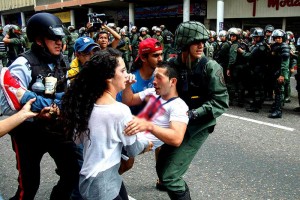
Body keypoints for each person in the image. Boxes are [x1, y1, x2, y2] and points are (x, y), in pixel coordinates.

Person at [0, 13, 81, 200]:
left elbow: (65, 94)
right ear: (38, 40)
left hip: (57, 129)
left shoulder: (61, 59)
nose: (59, 42)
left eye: (61, 38)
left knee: (73, 172)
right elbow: (7, 108)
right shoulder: (22, 64)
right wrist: (37, 114)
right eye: (54, 38)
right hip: (28, 134)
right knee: (28, 187)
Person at [60, 48, 153, 200]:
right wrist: (146, 143)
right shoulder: (120, 111)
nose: (127, 74)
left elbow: (78, 139)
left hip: (94, 177)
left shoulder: (86, 104)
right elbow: (132, 150)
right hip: (101, 185)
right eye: (123, 71)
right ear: (109, 77)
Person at [153, 21, 229, 199]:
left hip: (198, 125)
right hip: (177, 121)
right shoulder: (172, 65)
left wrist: (195, 113)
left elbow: (221, 101)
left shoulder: (210, 67)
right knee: (162, 167)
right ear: (184, 45)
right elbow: (158, 88)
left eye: (203, 41)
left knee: (170, 175)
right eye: (196, 42)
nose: (201, 45)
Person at [120, 62, 189, 179]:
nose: (154, 81)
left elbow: (177, 138)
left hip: (132, 142)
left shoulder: (179, 106)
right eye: (154, 76)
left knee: (123, 164)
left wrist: (149, 126)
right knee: (124, 164)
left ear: (173, 81)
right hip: (126, 136)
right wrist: (128, 86)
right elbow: (129, 100)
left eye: (159, 77)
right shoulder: (152, 93)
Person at [117, 38, 163, 115]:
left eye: (161, 54)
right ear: (143, 58)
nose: (160, 59)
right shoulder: (130, 83)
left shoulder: (161, 77)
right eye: (156, 55)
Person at [237, 27, 269, 113]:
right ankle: (258, 103)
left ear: (261, 37)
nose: (255, 38)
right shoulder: (262, 45)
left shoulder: (260, 46)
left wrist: (242, 52)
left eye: (257, 37)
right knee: (258, 88)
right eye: (254, 37)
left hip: (258, 69)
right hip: (259, 69)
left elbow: (249, 56)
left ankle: (256, 105)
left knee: (256, 88)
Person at [268, 29, 290, 118]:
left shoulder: (284, 47)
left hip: (281, 72)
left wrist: (282, 75)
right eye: (276, 38)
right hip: (275, 71)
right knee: (276, 90)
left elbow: (285, 63)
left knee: (279, 91)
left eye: (279, 38)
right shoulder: (276, 46)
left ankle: (278, 111)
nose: (277, 39)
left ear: (283, 38)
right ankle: (276, 107)